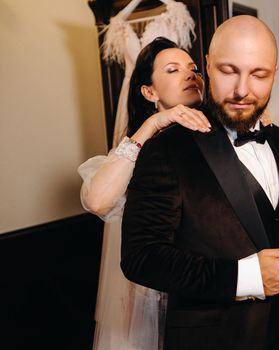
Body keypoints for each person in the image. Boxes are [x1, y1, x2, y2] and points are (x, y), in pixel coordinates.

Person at [121, 15, 279, 350]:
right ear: (207, 65)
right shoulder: (167, 149)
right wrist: (243, 278)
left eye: (258, 74)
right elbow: (141, 257)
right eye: (228, 70)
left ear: (274, 73)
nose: (242, 90)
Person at [78, 37, 211, 350]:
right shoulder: (134, 153)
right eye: (173, 70)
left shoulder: (218, 142)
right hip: (145, 303)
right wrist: (153, 124)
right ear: (149, 92)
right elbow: (98, 200)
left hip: (202, 297)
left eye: (193, 68)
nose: (190, 75)